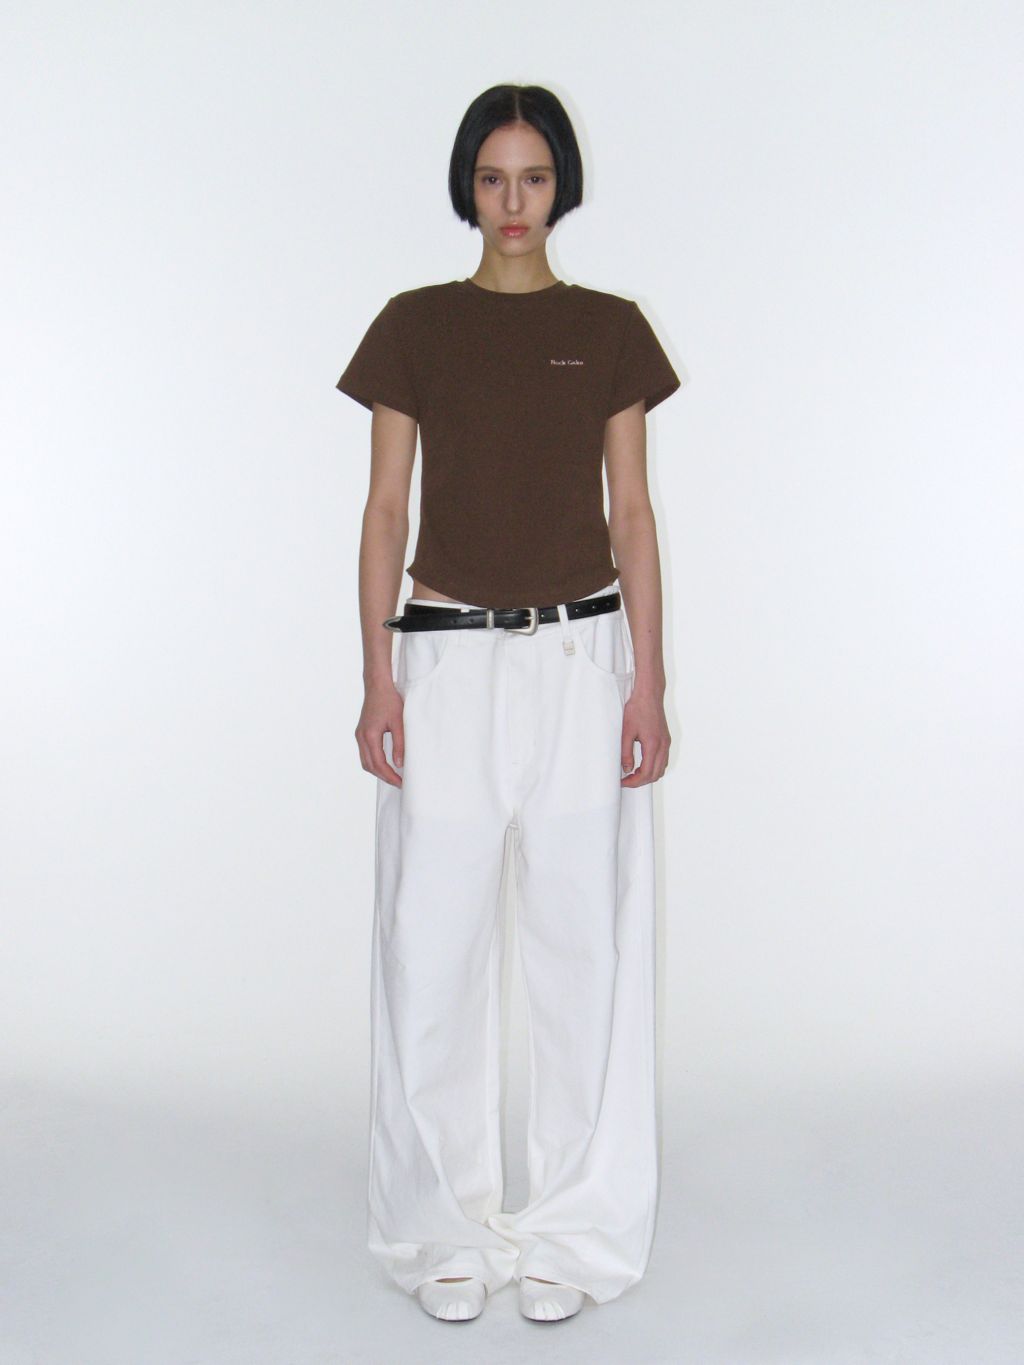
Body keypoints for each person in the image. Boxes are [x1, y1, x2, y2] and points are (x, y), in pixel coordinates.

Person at [335, 83, 683, 1324]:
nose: (513, 202)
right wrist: (377, 672)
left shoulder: (610, 331)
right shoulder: (414, 327)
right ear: (467, 188)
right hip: (444, 658)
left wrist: (648, 680)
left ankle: (576, 1233)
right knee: (429, 949)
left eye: (533, 177)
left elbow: (632, 514)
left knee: (586, 949)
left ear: (560, 185)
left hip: (580, 660)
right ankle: (438, 1228)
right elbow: (385, 508)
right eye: (492, 178)